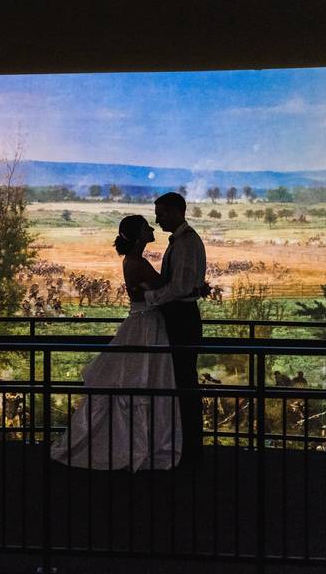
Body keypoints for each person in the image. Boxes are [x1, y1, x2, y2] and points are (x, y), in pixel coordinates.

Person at [50, 214, 182, 470]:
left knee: (135, 376)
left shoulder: (133, 260)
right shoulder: (138, 262)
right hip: (146, 324)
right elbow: (166, 286)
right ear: (138, 235)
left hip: (141, 320)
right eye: (146, 227)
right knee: (144, 377)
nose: (151, 228)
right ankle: (140, 443)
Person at [144, 192, 207, 467]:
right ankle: (186, 446)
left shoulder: (185, 243)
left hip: (182, 318)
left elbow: (180, 287)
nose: (157, 220)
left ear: (177, 212)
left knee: (184, 381)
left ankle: (189, 450)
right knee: (183, 380)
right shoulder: (183, 241)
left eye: (161, 214)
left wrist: (149, 298)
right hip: (182, 316)